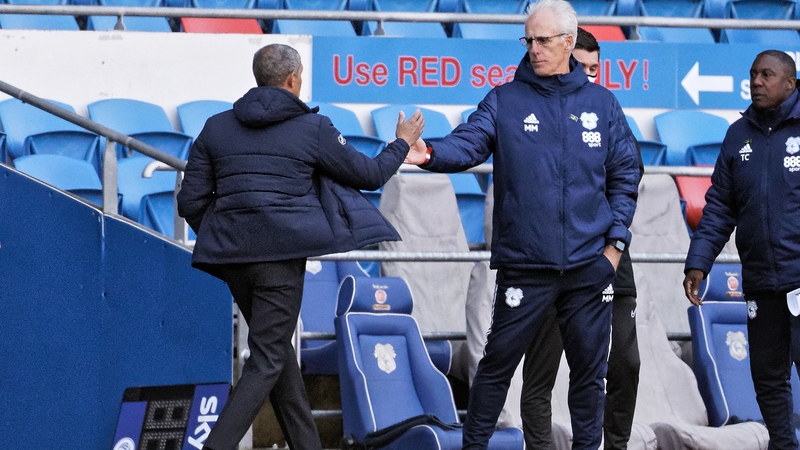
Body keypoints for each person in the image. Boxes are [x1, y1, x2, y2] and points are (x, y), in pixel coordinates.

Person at [403, 0, 640, 448]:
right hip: (526, 267)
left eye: (542, 40)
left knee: (590, 378)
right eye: (527, 40)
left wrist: (614, 246)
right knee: (496, 367)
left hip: (590, 267)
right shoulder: (505, 99)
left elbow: (626, 176)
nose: (533, 48)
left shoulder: (603, 105)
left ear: (569, 43)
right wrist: (429, 154)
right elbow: (469, 142)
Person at [177, 43, 424, 450]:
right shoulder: (313, 127)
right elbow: (369, 174)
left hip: (234, 260)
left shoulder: (215, 126)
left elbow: (189, 202)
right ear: (293, 79)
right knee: (269, 359)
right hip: (280, 261)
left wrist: (228, 239)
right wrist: (400, 143)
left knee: (278, 357)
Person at [520, 26, 642, 450]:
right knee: (541, 373)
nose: (588, 75)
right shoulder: (536, 115)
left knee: (625, 363)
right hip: (551, 261)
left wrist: (614, 248)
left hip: (608, 261)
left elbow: (629, 179)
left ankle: (615, 446)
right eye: (582, 67)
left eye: (595, 68)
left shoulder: (608, 112)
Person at [683, 49, 800, 450]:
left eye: (767, 75)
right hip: (761, 283)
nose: (757, 82)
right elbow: (719, 207)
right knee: (767, 378)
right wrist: (699, 261)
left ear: (790, 83)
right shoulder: (738, 135)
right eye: (753, 75)